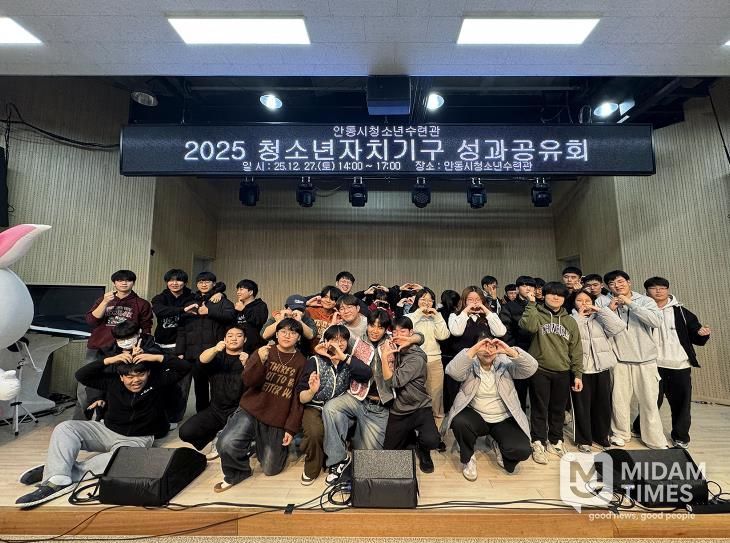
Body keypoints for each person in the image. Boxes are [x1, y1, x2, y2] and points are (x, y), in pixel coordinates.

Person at [15, 321, 190, 509]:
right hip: (106, 430)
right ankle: (58, 473)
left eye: (140, 375)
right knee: (65, 428)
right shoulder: (112, 380)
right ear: (121, 377)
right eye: (130, 377)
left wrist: (154, 357)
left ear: (148, 374)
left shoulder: (157, 381)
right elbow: (82, 375)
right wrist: (110, 360)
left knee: (123, 462)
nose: (135, 380)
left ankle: (59, 472)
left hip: (137, 439)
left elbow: (185, 367)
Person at [214, 318, 307, 492]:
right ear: (276, 334)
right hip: (251, 410)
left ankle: (256, 444)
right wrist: (259, 361)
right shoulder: (264, 351)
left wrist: (290, 428)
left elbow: (297, 398)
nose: (287, 336)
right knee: (226, 443)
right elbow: (248, 381)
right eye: (283, 332)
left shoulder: (302, 362)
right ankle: (238, 472)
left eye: (293, 332)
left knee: (271, 469)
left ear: (299, 337)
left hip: (276, 418)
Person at [442, 334, 537, 480]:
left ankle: (495, 441)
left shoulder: (505, 364)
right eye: (483, 346)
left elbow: (531, 368)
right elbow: (452, 371)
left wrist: (509, 351)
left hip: (503, 418)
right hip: (476, 416)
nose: (488, 351)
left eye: (492, 347)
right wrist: (473, 350)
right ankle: (468, 457)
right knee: (459, 421)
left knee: (522, 450)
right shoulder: (470, 364)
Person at [321, 309, 395, 484]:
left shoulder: (393, 343)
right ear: (367, 325)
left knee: (370, 462)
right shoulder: (356, 341)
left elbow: (418, 338)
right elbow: (331, 342)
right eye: (372, 325)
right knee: (330, 408)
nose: (375, 330)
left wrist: (414, 338)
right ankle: (339, 459)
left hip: (378, 406)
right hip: (356, 397)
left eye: (380, 327)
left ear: (386, 329)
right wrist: (331, 328)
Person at [637, 276, 711, 448]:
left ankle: (680, 436)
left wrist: (703, 334)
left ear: (668, 290)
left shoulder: (682, 312)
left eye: (662, 288)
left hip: (679, 365)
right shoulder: (641, 310)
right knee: (650, 401)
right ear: (646, 291)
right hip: (652, 364)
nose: (658, 291)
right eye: (654, 288)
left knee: (681, 404)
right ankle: (640, 428)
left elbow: (696, 337)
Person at [596, 270, 667, 449]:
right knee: (619, 401)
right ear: (608, 287)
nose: (617, 286)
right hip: (618, 360)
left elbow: (656, 321)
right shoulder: (602, 301)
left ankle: (653, 438)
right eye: (612, 284)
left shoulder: (645, 300)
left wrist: (630, 303)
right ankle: (620, 434)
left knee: (649, 402)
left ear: (629, 282)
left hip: (646, 360)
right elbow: (597, 328)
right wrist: (609, 310)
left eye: (620, 281)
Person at [296, 325, 371, 485]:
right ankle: (312, 468)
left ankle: (337, 461)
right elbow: (301, 397)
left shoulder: (348, 360)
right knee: (315, 432)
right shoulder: (315, 361)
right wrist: (311, 391)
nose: (339, 343)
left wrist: (343, 357)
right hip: (315, 406)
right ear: (326, 341)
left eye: (343, 339)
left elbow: (366, 374)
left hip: (338, 407)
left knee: (339, 421)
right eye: (334, 339)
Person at [518, 282, 583, 464]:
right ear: (544, 295)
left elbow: (576, 349)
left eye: (560, 295)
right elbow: (528, 326)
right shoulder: (536, 313)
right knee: (539, 408)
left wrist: (578, 374)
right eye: (551, 294)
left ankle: (556, 441)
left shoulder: (570, 321)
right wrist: (531, 303)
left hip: (563, 371)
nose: (555, 297)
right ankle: (538, 441)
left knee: (558, 410)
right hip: (540, 369)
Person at [78, 269, 153, 420]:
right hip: (99, 347)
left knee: (119, 383)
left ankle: (111, 418)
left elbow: (146, 329)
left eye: (128, 280)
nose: (124, 283)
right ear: (114, 283)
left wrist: (139, 348)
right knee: (87, 382)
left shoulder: (141, 303)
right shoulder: (103, 299)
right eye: (120, 280)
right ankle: (82, 419)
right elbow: (91, 321)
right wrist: (105, 302)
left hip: (125, 349)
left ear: (133, 283)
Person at [178, 326, 249, 457]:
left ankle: (231, 440)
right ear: (224, 339)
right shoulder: (216, 358)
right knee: (185, 432)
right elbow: (201, 360)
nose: (234, 338)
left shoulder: (249, 358)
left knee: (231, 445)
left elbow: (257, 383)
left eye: (239, 335)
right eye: (230, 335)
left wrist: (247, 365)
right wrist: (215, 349)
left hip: (239, 412)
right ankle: (214, 440)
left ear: (245, 339)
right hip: (216, 410)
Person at [382, 316, 440, 473]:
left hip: (420, 407)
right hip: (399, 409)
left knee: (432, 440)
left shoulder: (415, 358)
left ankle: (423, 450)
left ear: (410, 332)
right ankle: (408, 437)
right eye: (395, 332)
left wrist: (384, 357)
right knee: (389, 453)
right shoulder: (393, 346)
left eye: (403, 331)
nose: (398, 335)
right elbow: (420, 337)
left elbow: (394, 381)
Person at [571, 291, 625, 452]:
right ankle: (584, 440)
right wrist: (580, 318)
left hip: (601, 368)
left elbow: (619, 327)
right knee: (582, 407)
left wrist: (601, 311)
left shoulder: (601, 318)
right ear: (574, 303)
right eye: (579, 300)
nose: (584, 303)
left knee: (603, 405)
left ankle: (601, 437)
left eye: (587, 300)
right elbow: (569, 337)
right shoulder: (571, 319)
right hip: (581, 370)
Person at [176, 272, 236, 413]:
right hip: (194, 353)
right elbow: (181, 329)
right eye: (200, 282)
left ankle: (220, 414)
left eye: (207, 282)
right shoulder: (189, 303)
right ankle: (202, 415)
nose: (203, 284)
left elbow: (231, 316)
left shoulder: (222, 301)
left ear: (214, 284)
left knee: (218, 386)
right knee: (200, 387)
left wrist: (209, 311)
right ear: (197, 284)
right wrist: (180, 350)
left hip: (217, 352)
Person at [151, 268, 196, 426]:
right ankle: (160, 414)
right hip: (160, 345)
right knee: (160, 382)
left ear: (185, 282)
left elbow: (192, 314)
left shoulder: (192, 297)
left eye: (178, 280)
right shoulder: (160, 298)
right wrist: (182, 310)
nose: (174, 283)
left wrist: (176, 312)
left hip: (182, 347)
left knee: (182, 384)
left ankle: (175, 417)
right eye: (171, 280)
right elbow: (159, 311)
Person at [407, 287, 450, 425]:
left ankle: (437, 430)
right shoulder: (410, 317)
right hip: (414, 361)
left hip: (434, 361)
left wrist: (437, 316)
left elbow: (443, 336)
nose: (427, 303)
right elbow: (406, 331)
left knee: (436, 397)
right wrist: (418, 314)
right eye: (423, 299)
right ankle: (417, 428)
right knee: (415, 397)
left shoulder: (436, 317)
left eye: (430, 300)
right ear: (416, 301)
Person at [499, 276, 537, 409]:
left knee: (537, 390)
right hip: (518, 352)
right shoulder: (508, 307)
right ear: (517, 288)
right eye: (524, 285)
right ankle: (519, 416)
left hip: (537, 352)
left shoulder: (539, 305)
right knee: (519, 388)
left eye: (531, 286)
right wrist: (512, 350)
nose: (528, 288)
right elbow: (505, 330)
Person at [448, 287, 507, 354]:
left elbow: (500, 333)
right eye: (470, 300)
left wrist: (487, 311)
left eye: (478, 299)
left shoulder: (490, 315)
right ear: (464, 301)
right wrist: (465, 311)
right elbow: (457, 332)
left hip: (485, 355)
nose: (475, 302)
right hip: (464, 356)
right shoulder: (455, 315)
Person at [438, 289, 462, 415]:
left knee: (441, 384)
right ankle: (454, 408)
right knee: (454, 384)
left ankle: (444, 408)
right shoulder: (457, 315)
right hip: (454, 353)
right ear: (457, 302)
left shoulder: (437, 314)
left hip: (440, 353)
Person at [234, 279, 269, 354]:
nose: (238, 292)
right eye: (237, 290)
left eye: (241, 289)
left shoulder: (260, 305)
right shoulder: (238, 306)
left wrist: (244, 309)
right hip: (238, 346)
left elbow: (258, 321)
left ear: (250, 292)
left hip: (254, 347)